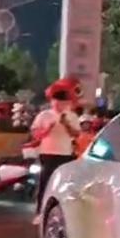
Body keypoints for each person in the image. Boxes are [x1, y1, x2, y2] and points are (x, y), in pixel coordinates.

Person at [31, 88, 81, 222]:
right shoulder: (44, 115)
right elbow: (36, 134)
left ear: (68, 103)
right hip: (47, 153)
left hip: (65, 153)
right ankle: (40, 212)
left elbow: (76, 134)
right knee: (45, 181)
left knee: (63, 183)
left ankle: (61, 212)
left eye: (63, 103)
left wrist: (67, 124)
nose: (59, 105)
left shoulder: (71, 116)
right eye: (57, 102)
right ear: (52, 102)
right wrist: (48, 129)